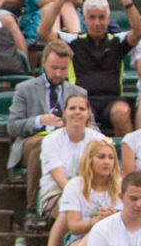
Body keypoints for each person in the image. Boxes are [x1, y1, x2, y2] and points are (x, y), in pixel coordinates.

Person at [41, 0, 141, 136]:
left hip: (112, 101)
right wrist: (59, 1)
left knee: (122, 111)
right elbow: (44, 32)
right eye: (92, 17)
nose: (97, 22)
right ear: (84, 19)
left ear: (109, 20)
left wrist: (126, 0)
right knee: (79, 113)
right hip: (82, 100)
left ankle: (125, 158)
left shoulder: (117, 41)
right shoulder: (74, 41)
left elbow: (139, 31)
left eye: (102, 17)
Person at [5, 41, 85, 217]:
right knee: (43, 144)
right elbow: (12, 127)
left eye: (63, 69)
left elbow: (90, 124)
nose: (58, 73)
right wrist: (39, 120)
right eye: (54, 67)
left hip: (67, 142)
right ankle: (32, 208)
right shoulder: (25, 89)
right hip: (32, 143)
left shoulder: (78, 92)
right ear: (43, 63)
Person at [39, 138, 121, 246]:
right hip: (79, 239)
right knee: (96, 235)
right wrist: (95, 221)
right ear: (89, 160)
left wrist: (113, 218)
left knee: (102, 234)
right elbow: (74, 227)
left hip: (114, 240)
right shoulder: (75, 186)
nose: (107, 162)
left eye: (111, 158)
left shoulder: (120, 186)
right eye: (101, 157)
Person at [37, 93, 105, 224]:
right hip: (56, 192)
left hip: (92, 192)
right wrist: (82, 200)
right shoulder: (51, 140)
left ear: (88, 114)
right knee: (69, 206)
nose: (77, 112)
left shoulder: (99, 140)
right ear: (65, 112)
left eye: (82, 109)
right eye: (72, 108)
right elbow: (60, 180)